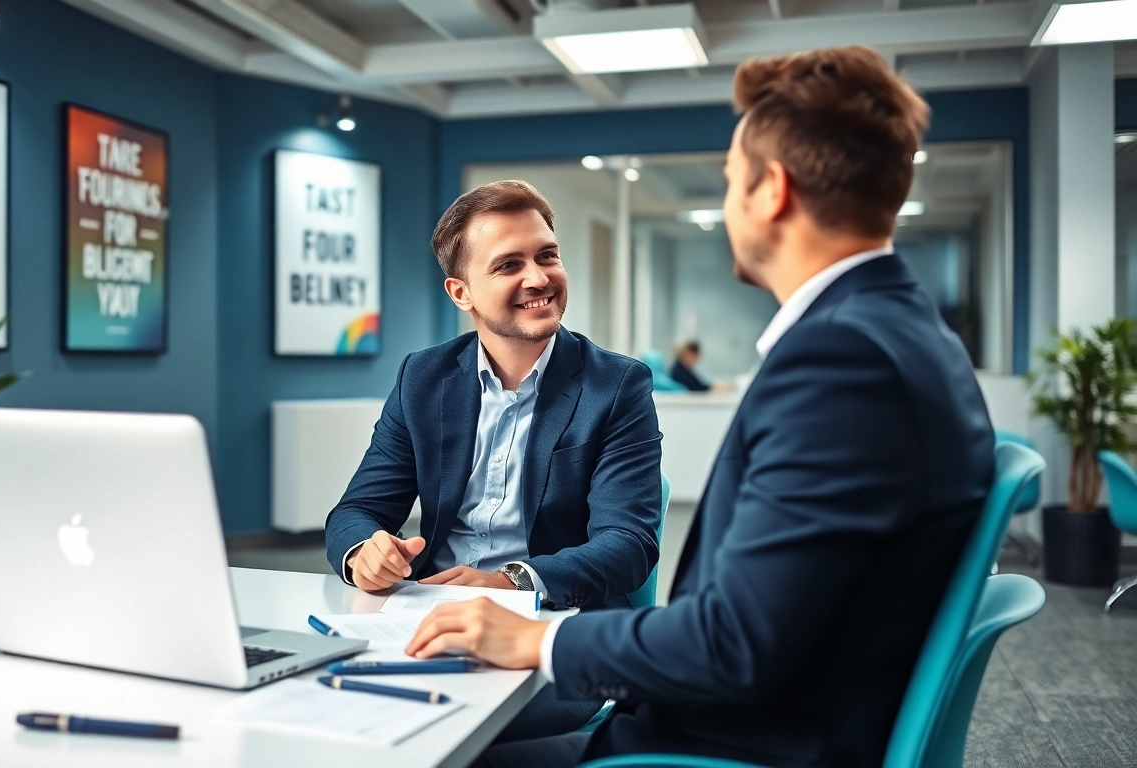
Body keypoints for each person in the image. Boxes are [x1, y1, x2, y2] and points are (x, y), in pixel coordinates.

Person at [404, 46, 996, 768]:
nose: (727, 201)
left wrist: (533, 639)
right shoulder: (901, 331)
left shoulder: (842, 361)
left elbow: (733, 643)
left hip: (726, 748)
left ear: (770, 190)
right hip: (754, 723)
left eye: (730, 181)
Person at [324, 179, 663, 738]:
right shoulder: (423, 377)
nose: (538, 278)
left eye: (547, 255)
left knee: (436, 726)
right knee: (337, 706)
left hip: (555, 624)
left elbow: (628, 546)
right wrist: (366, 551)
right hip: (433, 615)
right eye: (509, 265)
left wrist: (511, 580)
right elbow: (356, 509)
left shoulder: (617, 384)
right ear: (462, 293)